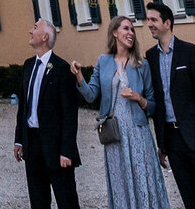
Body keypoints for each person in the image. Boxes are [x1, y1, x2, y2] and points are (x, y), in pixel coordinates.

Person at [70, 13, 167, 209]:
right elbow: (90, 95)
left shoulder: (141, 64)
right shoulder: (103, 61)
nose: (131, 33)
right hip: (114, 135)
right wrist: (80, 77)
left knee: (144, 178)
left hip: (138, 132)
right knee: (120, 180)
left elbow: (154, 105)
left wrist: (138, 98)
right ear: (115, 33)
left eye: (132, 30)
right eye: (126, 29)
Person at [144, 0, 195, 209]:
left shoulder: (189, 51)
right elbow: (159, 104)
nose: (149, 24)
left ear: (167, 23)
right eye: (149, 20)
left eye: (154, 19)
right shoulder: (150, 57)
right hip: (172, 141)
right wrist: (161, 144)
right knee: (190, 200)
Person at [13, 18, 80, 209]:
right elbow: (23, 108)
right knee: (38, 199)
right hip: (32, 144)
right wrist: (19, 140)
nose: (30, 31)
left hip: (55, 145)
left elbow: (70, 114)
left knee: (66, 199)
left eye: (34, 28)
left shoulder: (61, 69)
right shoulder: (28, 66)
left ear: (44, 36)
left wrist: (66, 151)